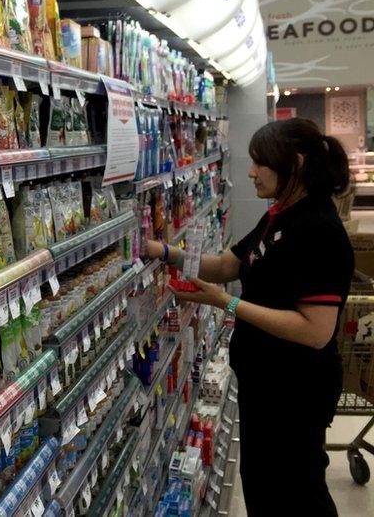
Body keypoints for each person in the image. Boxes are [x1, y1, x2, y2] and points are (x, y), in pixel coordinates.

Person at [144, 118, 352, 517]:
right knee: (264, 489)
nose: (252, 171)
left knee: (296, 494)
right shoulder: (280, 215)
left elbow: (315, 331)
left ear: (296, 163)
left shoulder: (319, 231)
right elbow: (225, 265)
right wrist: (165, 253)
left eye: (261, 162)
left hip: (295, 392)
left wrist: (228, 305)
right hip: (265, 385)